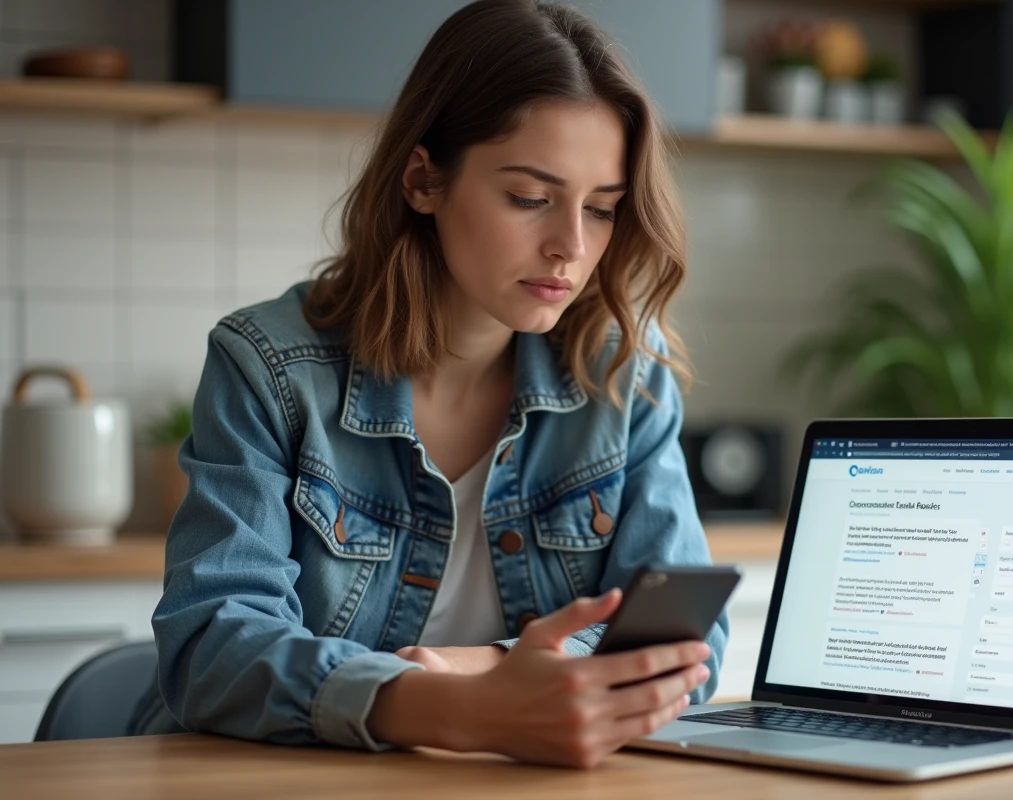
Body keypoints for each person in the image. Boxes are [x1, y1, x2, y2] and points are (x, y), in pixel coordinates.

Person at [129, 0, 726, 769]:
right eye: (529, 198)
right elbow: (212, 645)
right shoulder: (270, 366)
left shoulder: (623, 377)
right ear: (423, 180)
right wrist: (456, 708)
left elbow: (683, 643)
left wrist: (491, 673)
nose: (571, 248)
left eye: (603, 209)